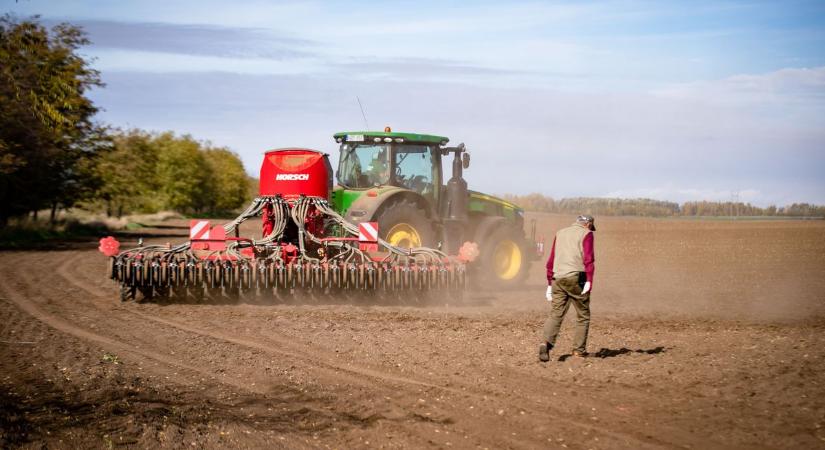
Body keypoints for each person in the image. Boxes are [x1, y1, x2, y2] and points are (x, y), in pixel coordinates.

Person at [539, 215, 596, 362]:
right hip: (576, 277)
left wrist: (549, 283)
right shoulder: (587, 234)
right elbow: (588, 258)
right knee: (583, 314)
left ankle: (545, 343)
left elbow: (551, 260)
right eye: (591, 227)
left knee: (556, 313)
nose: (591, 229)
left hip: (557, 278)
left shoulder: (560, 233)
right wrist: (589, 280)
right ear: (588, 224)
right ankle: (578, 351)